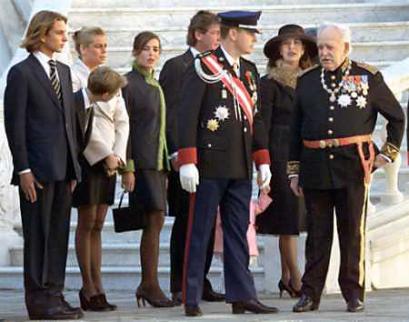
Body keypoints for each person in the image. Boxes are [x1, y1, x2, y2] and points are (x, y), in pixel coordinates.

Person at [288, 23, 404, 313]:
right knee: (317, 234)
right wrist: (294, 170)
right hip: (314, 166)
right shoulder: (307, 81)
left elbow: (397, 117)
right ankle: (310, 293)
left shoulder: (368, 77)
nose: (324, 53)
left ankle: (353, 293)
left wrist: (387, 153)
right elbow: (294, 131)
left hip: (352, 167)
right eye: (321, 47)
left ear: (346, 48)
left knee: (352, 232)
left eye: (331, 47)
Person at [177, 10, 278, 316]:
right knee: (200, 231)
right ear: (232, 33)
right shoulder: (203, 66)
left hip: (239, 164)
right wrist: (187, 160)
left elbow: (255, 118)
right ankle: (191, 296)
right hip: (207, 165)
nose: (254, 39)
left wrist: (263, 160)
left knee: (238, 231)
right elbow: (187, 116)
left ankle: (242, 295)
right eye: (250, 33)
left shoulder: (248, 70)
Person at [3, 10, 82, 320]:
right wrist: (23, 170)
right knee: (38, 235)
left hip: (63, 169)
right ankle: (38, 301)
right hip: (35, 171)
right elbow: (15, 126)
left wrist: (74, 168)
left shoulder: (62, 71)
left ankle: (55, 294)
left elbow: (69, 125)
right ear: (42, 34)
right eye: (60, 32)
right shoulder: (21, 73)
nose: (65, 37)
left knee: (58, 235)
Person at [159, 10, 224, 305]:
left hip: (211, 160)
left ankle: (201, 279)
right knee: (187, 222)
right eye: (214, 33)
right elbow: (172, 114)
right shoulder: (177, 66)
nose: (218, 39)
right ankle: (179, 283)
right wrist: (178, 153)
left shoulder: (217, 65)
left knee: (208, 222)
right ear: (198, 34)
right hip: (186, 159)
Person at [256, 24, 318, 298]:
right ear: (278, 50)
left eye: (297, 43)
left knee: (297, 216)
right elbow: (263, 124)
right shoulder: (268, 82)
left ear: (304, 49)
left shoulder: (312, 80)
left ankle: (285, 276)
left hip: (305, 152)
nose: (292, 48)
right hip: (279, 154)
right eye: (286, 43)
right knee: (288, 218)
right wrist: (263, 163)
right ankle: (295, 277)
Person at [71, 26, 129, 311]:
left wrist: (118, 155)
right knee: (87, 221)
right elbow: (79, 124)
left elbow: (122, 120)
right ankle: (88, 286)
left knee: (99, 224)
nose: (102, 50)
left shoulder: (109, 76)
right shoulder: (72, 77)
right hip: (88, 157)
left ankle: (99, 284)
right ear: (81, 48)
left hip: (110, 159)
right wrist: (104, 154)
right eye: (95, 45)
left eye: (105, 45)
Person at [121, 31, 173, 308]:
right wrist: (127, 168)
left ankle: (149, 283)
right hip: (141, 164)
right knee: (152, 221)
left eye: (156, 49)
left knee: (157, 221)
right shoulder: (128, 84)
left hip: (158, 163)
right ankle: (149, 285)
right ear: (135, 51)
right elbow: (124, 127)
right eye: (146, 49)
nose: (151, 54)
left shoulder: (154, 84)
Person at [71, 26, 107, 92]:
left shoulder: (107, 74)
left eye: (105, 46)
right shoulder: (72, 75)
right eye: (98, 46)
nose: (104, 51)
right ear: (83, 49)